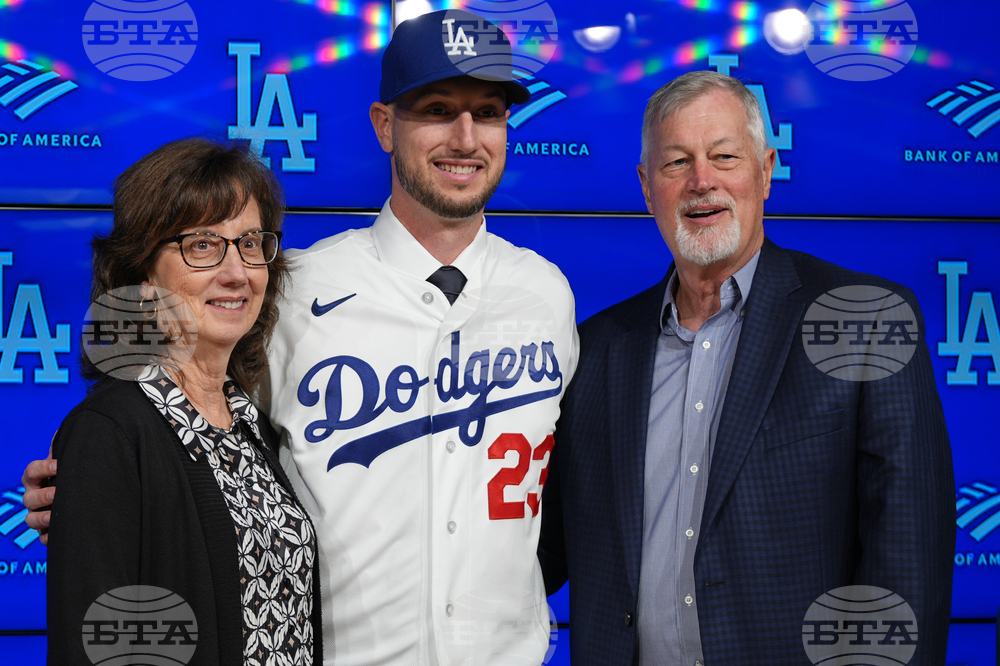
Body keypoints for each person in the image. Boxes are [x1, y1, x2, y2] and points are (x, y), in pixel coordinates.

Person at [30, 10, 578, 666]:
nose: (465, 136)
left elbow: (570, 499)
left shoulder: (547, 295)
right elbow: (181, 441)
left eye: (488, 112)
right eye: (435, 108)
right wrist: (94, 492)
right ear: (384, 125)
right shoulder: (295, 291)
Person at [537, 70, 955, 665]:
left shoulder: (865, 320)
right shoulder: (596, 347)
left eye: (724, 156)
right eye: (676, 162)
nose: (701, 182)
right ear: (646, 186)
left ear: (765, 171)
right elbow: (544, 544)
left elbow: (908, 552)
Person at [46, 138, 321, 666]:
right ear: (144, 275)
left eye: (250, 243)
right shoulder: (110, 432)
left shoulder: (253, 429)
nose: (236, 272)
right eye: (202, 245)